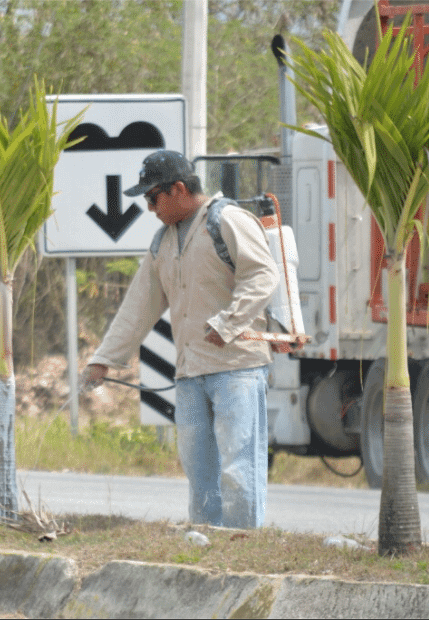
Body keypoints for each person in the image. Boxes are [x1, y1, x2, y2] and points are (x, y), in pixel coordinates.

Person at [80, 150, 279, 529]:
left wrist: (229, 323)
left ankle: (242, 544)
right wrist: (103, 359)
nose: (149, 207)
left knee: (239, 467)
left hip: (237, 368)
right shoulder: (162, 243)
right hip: (190, 372)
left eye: (153, 197)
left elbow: (262, 276)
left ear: (178, 189)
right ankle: (205, 539)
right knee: (199, 472)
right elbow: (139, 307)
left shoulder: (228, 220)